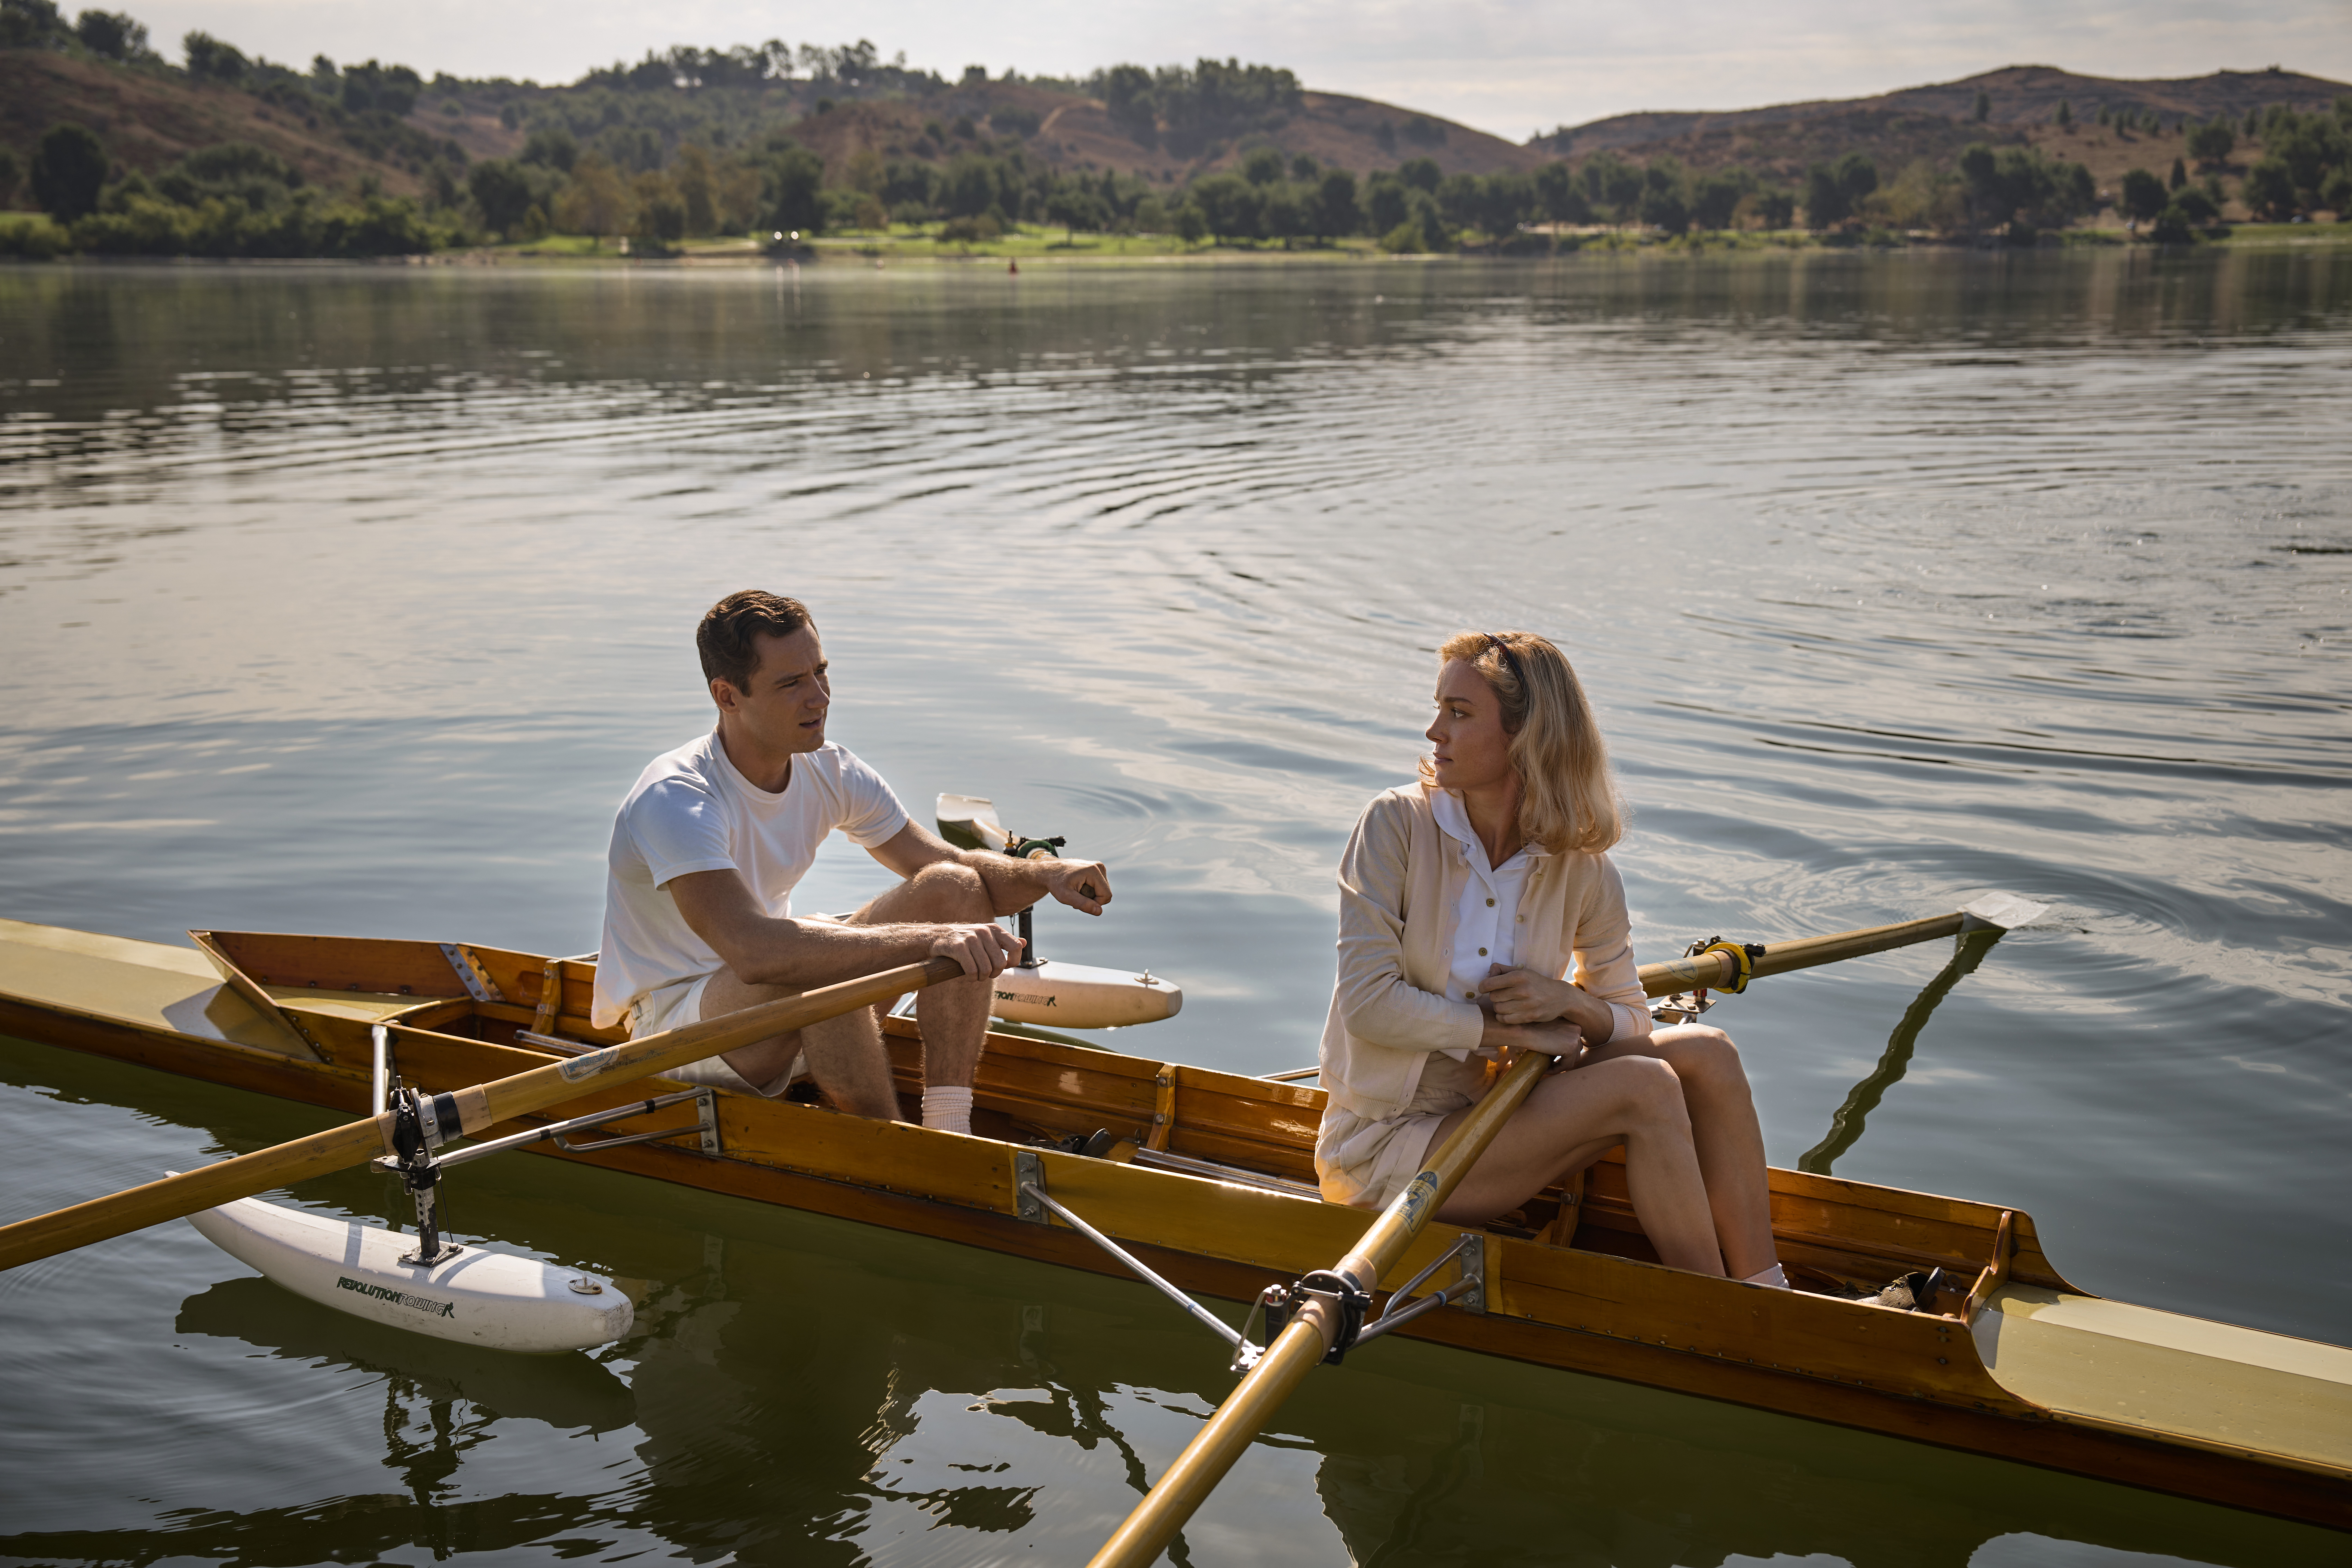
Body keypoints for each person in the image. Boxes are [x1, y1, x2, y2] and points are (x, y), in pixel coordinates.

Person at [1314, 630, 1785, 1286]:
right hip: (1387, 1146)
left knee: (1709, 1053)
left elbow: (1628, 1015)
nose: (1433, 731)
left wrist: (1571, 1003)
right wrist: (1508, 1031)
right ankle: (1722, 1314)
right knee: (1645, 1088)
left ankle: (1766, 1288)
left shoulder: (1582, 866)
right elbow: (1369, 1007)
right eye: (1439, 708)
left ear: (1526, 736)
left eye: (1459, 713)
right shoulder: (1395, 825)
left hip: (1500, 1106)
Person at [589, 590, 1113, 1134]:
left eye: (820, 672)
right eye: (791, 683)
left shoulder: (830, 770)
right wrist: (934, 941)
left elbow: (968, 876)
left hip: (770, 1010)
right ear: (728, 696)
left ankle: (948, 1128)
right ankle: (894, 1152)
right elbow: (753, 952)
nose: (819, 698)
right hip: (674, 1036)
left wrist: (1044, 873)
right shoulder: (678, 799)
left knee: (952, 886)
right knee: (820, 954)